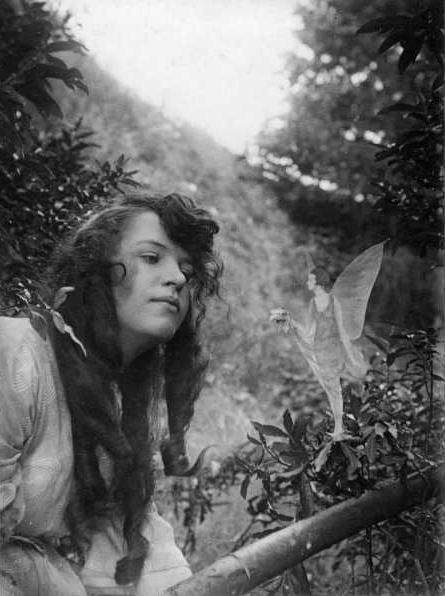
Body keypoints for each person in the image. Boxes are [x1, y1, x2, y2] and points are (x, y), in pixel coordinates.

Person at [0, 193, 223, 595]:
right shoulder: (16, 354)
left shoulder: (114, 404)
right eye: (152, 258)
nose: (176, 279)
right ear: (96, 271)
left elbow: (131, 542)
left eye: (187, 271)